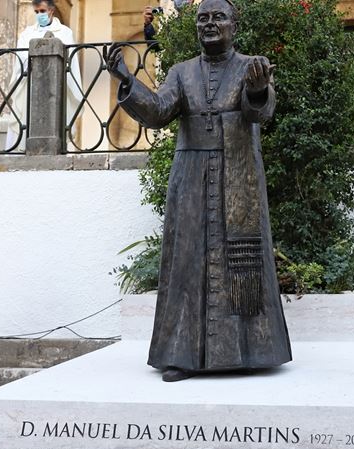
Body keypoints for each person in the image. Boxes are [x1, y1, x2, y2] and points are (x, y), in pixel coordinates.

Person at [107, 0, 292, 382]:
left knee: (241, 261)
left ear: (234, 26)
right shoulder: (181, 71)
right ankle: (181, 355)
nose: (209, 24)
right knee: (185, 261)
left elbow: (261, 114)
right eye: (202, 18)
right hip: (189, 175)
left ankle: (250, 350)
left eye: (218, 17)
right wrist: (128, 82)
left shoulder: (250, 66)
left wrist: (258, 91)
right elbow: (158, 112)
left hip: (237, 172)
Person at [6, 0, 83, 151]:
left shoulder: (64, 32)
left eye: (42, 11)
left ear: (51, 10)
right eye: (36, 12)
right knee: (25, 117)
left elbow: (69, 59)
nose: (39, 15)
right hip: (30, 82)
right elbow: (21, 55)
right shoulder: (28, 33)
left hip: (55, 86)